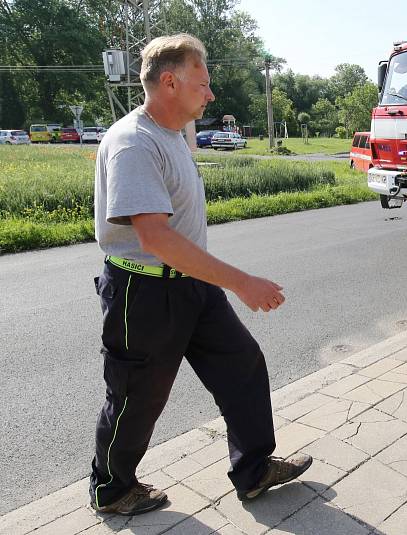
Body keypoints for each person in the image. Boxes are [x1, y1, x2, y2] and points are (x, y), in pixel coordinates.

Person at [90, 34, 311, 516]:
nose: (211, 94)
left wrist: (215, 282)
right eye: (202, 83)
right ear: (169, 82)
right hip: (142, 292)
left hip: (191, 286)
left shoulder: (170, 134)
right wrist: (242, 282)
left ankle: (253, 470)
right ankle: (111, 489)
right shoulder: (134, 141)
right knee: (137, 397)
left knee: (243, 366)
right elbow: (156, 239)